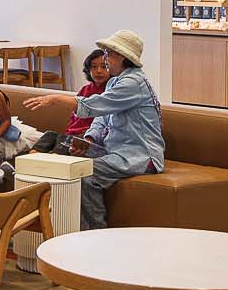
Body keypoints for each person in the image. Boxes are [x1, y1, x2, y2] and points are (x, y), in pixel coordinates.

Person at [26, 29, 163, 230]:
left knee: (84, 173)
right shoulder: (117, 81)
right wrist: (89, 138)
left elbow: (96, 105)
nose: (106, 59)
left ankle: (95, 233)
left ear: (122, 57)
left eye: (109, 55)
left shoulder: (133, 83)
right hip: (115, 150)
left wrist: (57, 98)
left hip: (140, 155)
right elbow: (102, 117)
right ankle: (56, 226)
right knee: (61, 151)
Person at [29, 48, 110, 154]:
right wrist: (69, 130)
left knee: (65, 143)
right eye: (94, 67)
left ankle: (51, 158)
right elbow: (73, 116)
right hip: (72, 134)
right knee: (49, 135)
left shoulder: (110, 92)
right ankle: (28, 160)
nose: (98, 71)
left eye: (104, 67)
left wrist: (88, 134)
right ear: (88, 69)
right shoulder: (85, 89)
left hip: (89, 137)